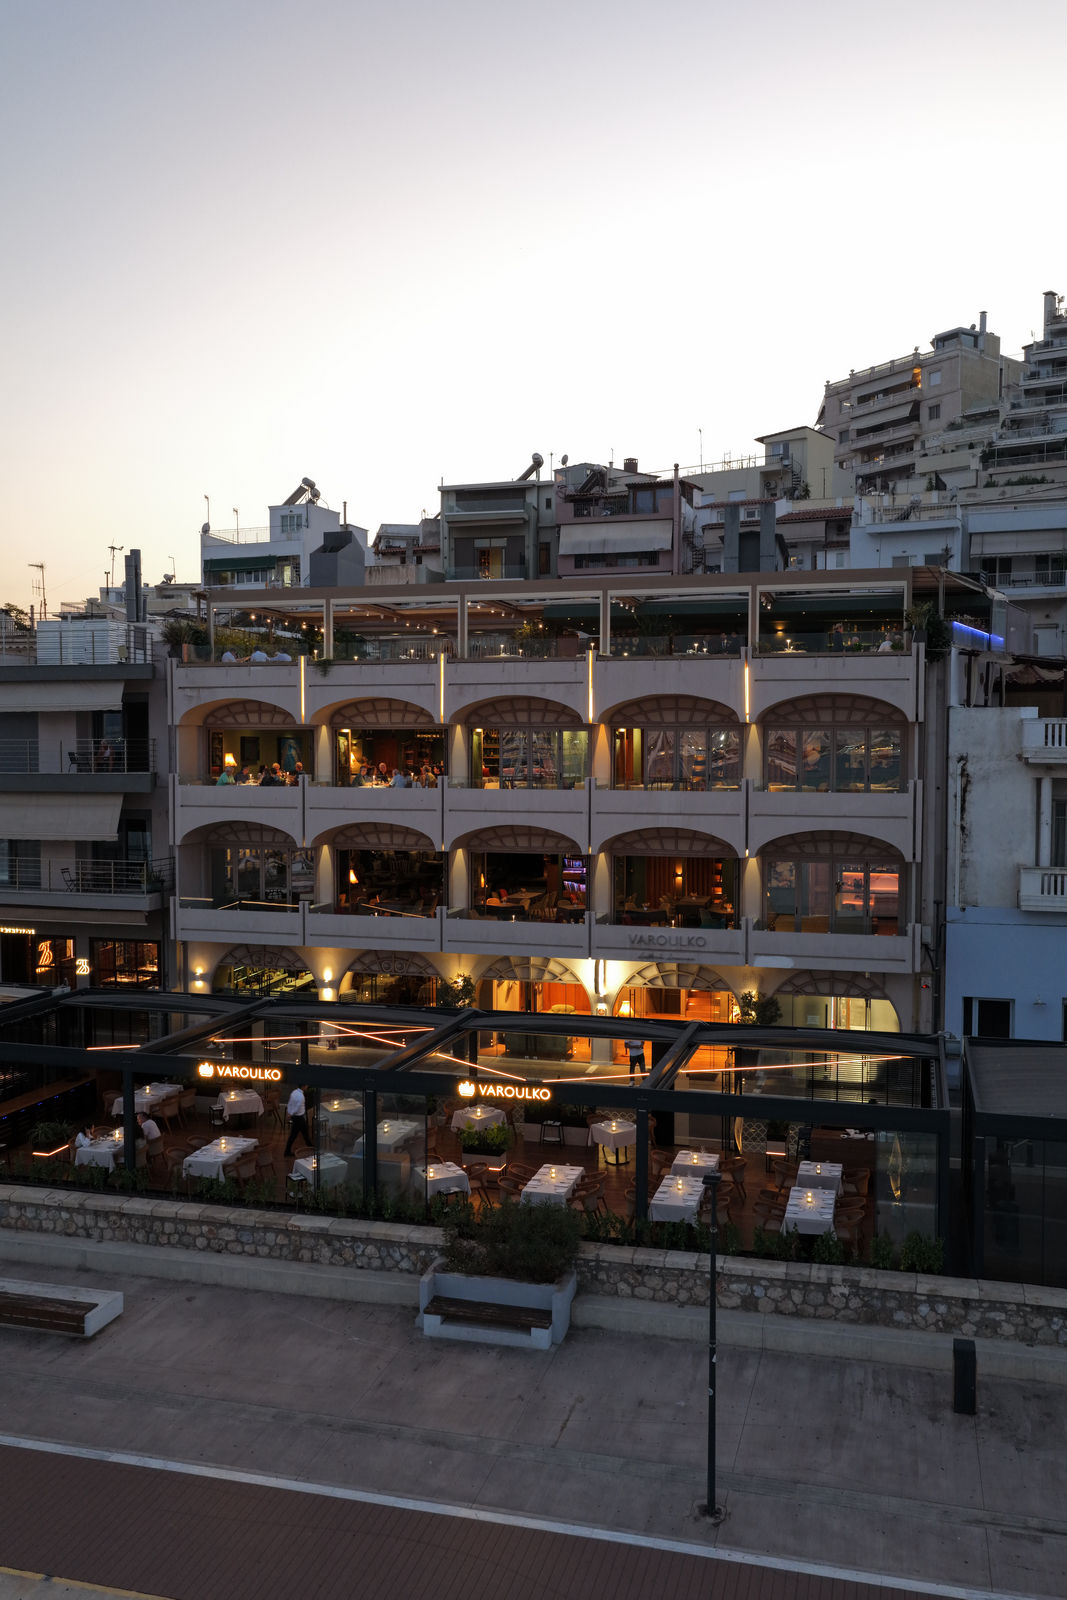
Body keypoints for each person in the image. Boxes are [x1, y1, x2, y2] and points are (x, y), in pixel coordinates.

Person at [284, 1084, 312, 1157]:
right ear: (303, 1086)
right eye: (306, 1086)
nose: (307, 1087)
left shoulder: (294, 1092)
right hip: (299, 1118)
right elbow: (297, 1108)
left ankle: (287, 1151)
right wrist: (290, 1114)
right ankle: (312, 1149)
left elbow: (290, 1104)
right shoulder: (301, 1096)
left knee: (298, 1134)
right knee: (302, 1134)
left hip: (296, 1117)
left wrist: (289, 1113)